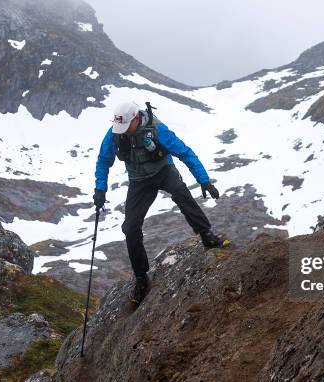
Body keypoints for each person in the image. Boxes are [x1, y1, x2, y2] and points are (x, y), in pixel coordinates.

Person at [93, 101, 226, 304]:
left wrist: (203, 180)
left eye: (127, 126)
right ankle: (141, 278)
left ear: (136, 118)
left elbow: (184, 152)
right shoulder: (115, 133)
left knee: (181, 193)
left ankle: (206, 235)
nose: (124, 131)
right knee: (130, 227)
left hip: (163, 171)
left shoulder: (157, 129)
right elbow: (104, 160)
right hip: (139, 181)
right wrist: (100, 189)